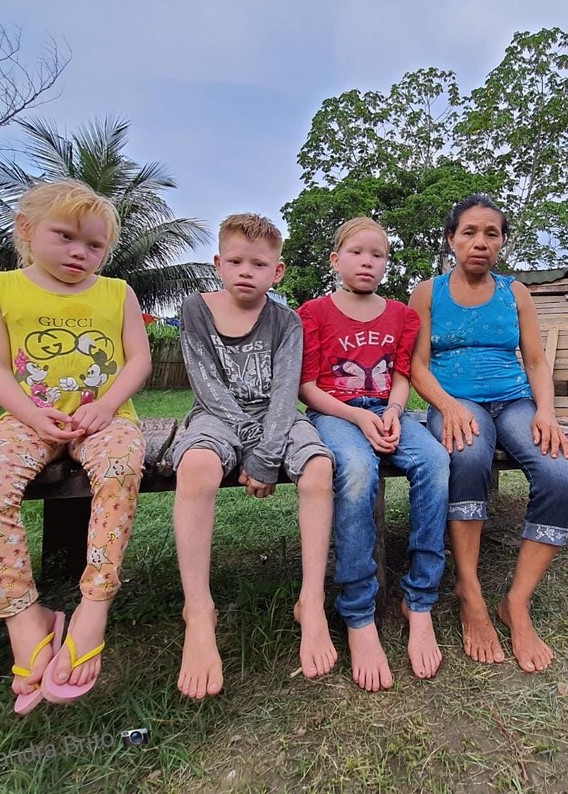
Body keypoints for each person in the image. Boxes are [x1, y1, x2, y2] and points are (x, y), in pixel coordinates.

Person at [0, 179, 151, 712]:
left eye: (94, 246)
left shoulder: (117, 293)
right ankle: (25, 615)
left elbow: (138, 360)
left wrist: (105, 406)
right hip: (27, 417)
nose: (79, 253)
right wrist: (30, 414)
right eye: (64, 237)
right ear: (26, 230)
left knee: (119, 471)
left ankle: (94, 604)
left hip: (103, 416)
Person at [408, 194, 568, 675]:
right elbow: (417, 365)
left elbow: (537, 360)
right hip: (455, 400)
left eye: (491, 233)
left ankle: (516, 603)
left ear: (502, 242)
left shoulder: (516, 292)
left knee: (559, 476)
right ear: (451, 239)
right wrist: (445, 406)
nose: (480, 242)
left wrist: (546, 411)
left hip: (515, 399)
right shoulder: (428, 293)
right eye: (469, 233)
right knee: (467, 457)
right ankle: (471, 591)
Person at [170, 213, 336, 700]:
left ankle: (312, 599)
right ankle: (198, 610)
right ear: (218, 263)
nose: (247, 271)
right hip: (216, 415)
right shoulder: (195, 309)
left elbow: (286, 392)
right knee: (197, 466)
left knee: (319, 468)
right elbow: (207, 387)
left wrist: (267, 451)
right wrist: (253, 447)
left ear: (276, 272)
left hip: (277, 417)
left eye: (259, 264)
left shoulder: (285, 320)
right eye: (236, 261)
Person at [298, 217, 450, 692]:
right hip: (335, 414)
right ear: (336, 259)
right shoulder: (314, 313)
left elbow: (402, 373)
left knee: (435, 462)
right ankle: (358, 613)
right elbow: (307, 387)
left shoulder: (402, 316)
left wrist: (392, 410)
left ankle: (419, 600)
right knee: (359, 469)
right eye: (357, 252)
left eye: (378, 254)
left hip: (390, 411)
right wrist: (360, 418)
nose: (368, 262)